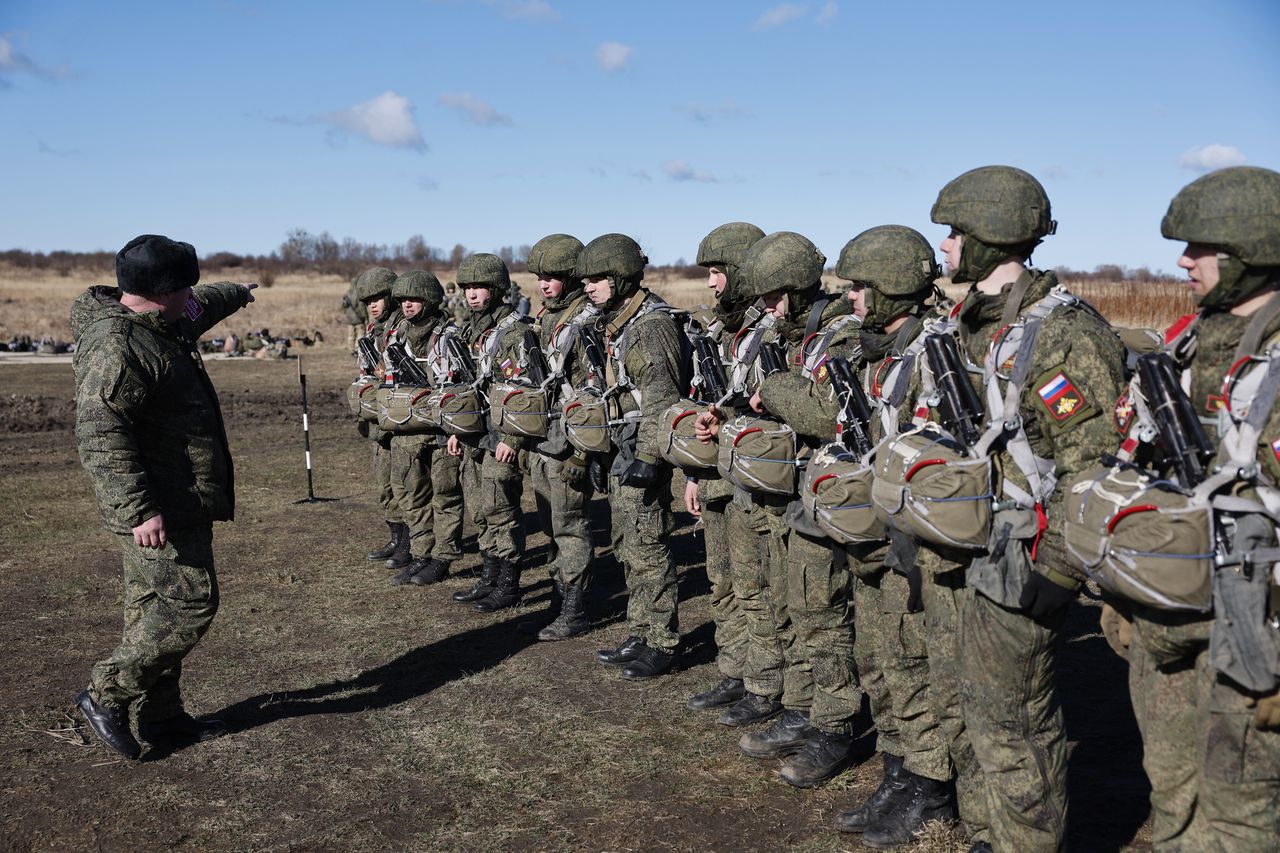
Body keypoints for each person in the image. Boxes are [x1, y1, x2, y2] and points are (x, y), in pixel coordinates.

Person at [1075, 166, 1280, 849]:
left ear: (1250, 252)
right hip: (1172, 607)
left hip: (1256, 630)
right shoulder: (1193, 344)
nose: (1181, 260)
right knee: (1170, 786)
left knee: (1240, 815)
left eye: (1199, 246)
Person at [928, 166, 1127, 852]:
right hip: (967, 539)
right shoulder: (971, 326)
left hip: (1024, 552)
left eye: (955, 234)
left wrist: (1062, 569)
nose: (946, 246)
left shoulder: (1061, 334)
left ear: (989, 238)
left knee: (1016, 717)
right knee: (975, 704)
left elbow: (1094, 464)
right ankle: (990, 832)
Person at [71, 234, 257, 759]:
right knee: (191, 602)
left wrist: (238, 292)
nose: (191, 299)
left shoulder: (161, 323)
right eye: (185, 289)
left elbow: (203, 305)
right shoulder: (119, 346)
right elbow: (101, 434)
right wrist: (138, 509)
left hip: (180, 498)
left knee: (150, 607)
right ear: (162, 292)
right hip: (157, 506)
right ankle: (105, 694)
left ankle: (164, 717)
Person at [726, 231, 867, 787]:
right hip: (802, 489)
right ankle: (806, 706)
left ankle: (833, 725)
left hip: (837, 495)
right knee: (799, 604)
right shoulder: (802, 336)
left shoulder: (840, 337)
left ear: (787, 291)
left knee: (822, 612)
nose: (764, 308)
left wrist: (778, 391)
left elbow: (828, 414)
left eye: (769, 297)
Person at [831, 226, 956, 845]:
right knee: (879, 661)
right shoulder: (881, 351)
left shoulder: (934, 351)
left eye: (860, 287)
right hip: (872, 531)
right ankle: (898, 773)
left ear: (892, 286)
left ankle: (930, 792)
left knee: (912, 662)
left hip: (910, 536)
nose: (851, 297)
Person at [581, 234, 685, 680]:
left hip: (644, 451)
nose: (589, 287)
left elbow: (662, 397)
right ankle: (640, 628)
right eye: (585, 280)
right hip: (622, 446)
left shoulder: (650, 325)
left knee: (648, 545)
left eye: (598, 278)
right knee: (627, 545)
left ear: (621, 276)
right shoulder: (619, 321)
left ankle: (662, 640)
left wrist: (647, 457)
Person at [682, 222, 764, 712]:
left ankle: (763, 680)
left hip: (754, 480)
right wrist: (693, 473)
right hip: (716, 474)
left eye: (718, 273)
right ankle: (734, 669)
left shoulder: (768, 334)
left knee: (755, 587)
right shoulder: (719, 331)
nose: (711, 284)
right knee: (722, 577)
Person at [519, 234, 598, 640]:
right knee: (551, 526)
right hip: (543, 439)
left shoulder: (585, 321)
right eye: (540, 278)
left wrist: (581, 452)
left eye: (552, 278)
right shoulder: (548, 317)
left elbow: (592, 389)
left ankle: (576, 607)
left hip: (569, 443)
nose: (543, 285)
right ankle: (560, 594)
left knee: (570, 526)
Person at [446, 253, 529, 611]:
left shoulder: (515, 330)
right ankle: (489, 576)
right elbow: (465, 385)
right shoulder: (470, 329)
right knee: (480, 508)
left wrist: (513, 438)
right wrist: (457, 430)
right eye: (467, 287)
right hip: (474, 432)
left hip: (501, 433)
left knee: (501, 508)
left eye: (479, 287)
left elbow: (525, 389)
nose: (472, 294)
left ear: (496, 289)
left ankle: (508, 585)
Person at [384, 270, 456, 586]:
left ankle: (443, 557)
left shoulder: (449, 334)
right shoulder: (398, 334)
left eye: (413, 299)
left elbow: (460, 385)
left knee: (445, 495)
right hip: (407, 428)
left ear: (428, 300)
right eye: (402, 300)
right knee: (410, 493)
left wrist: (456, 429)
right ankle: (421, 553)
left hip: (441, 430)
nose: (407, 305)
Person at [355, 267, 410, 570]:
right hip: (378, 418)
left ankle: (410, 542)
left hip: (399, 415)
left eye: (378, 299)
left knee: (404, 482)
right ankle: (395, 535)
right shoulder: (371, 331)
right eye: (368, 301)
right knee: (384, 482)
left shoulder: (402, 327)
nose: (373, 305)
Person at [341, 277, 367, 355]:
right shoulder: (358, 294)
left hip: (349, 319)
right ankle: (358, 349)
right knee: (360, 334)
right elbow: (362, 307)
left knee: (351, 335)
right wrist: (366, 317)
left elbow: (343, 307)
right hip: (359, 318)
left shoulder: (346, 294)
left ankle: (351, 350)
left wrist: (347, 314)